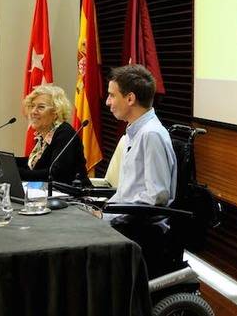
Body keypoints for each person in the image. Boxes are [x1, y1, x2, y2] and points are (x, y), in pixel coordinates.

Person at [103, 64, 177, 277]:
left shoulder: (150, 135)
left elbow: (156, 197)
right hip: (127, 222)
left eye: (111, 95)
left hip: (142, 232)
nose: (108, 102)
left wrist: (110, 216)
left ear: (130, 99)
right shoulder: (135, 133)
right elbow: (129, 190)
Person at [17, 84, 90, 185]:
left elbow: (55, 174)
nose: (33, 111)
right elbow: (36, 164)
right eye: (32, 106)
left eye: (41, 107)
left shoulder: (65, 134)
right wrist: (7, 162)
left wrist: (16, 173)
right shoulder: (44, 134)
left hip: (75, 196)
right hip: (51, 194)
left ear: (56, 112)